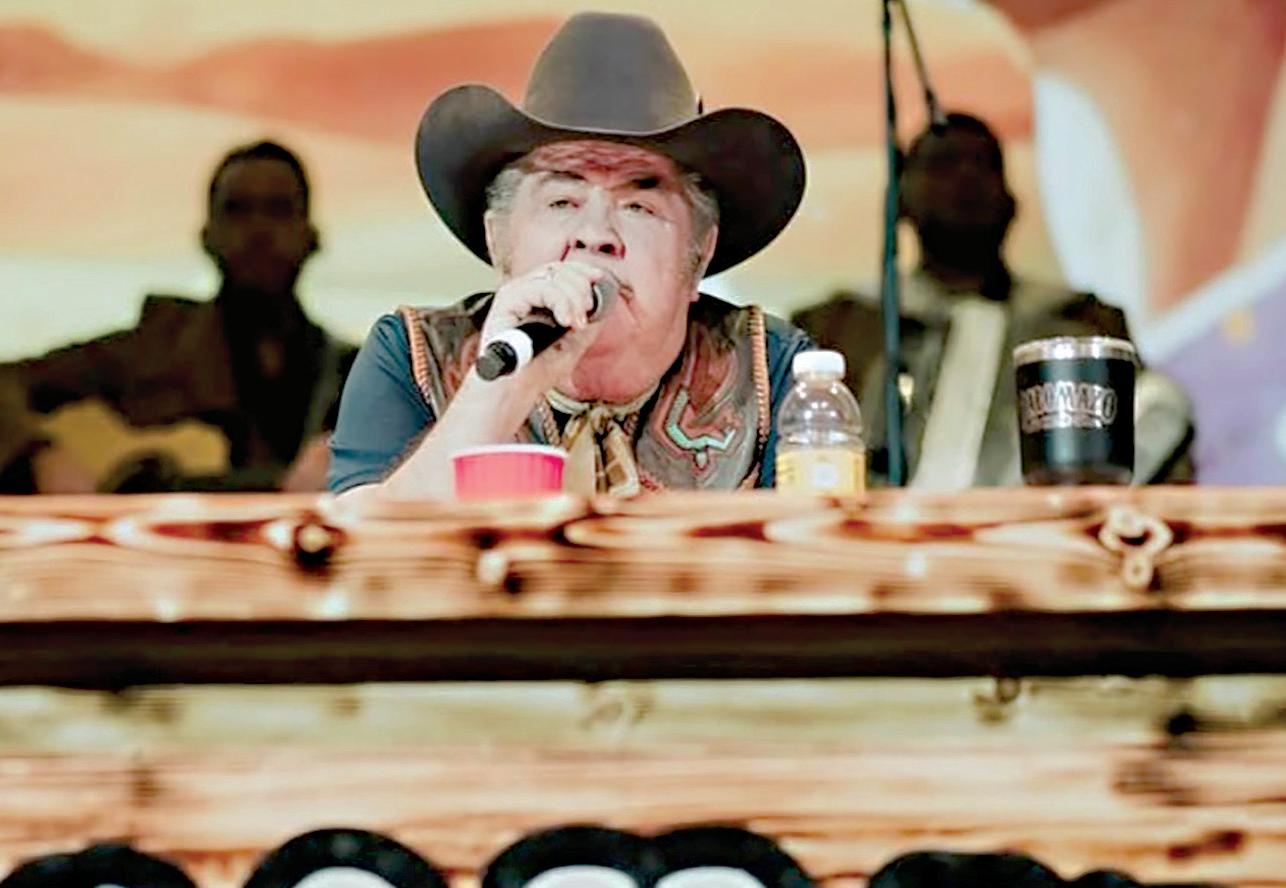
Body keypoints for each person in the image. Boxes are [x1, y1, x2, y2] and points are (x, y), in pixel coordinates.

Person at [329, 12, 813, 501]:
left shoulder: (775, 370)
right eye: (563, 202)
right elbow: (352, 541)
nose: (596, 236)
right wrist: (498, 392)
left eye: (639, 206)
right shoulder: (411, 354)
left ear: (699, 256)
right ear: (498, 240)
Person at [792, 112, 1194, 488]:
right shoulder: (837, 327)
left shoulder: (1083, 325)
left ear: (1012, 203)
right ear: (899, 202)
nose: (965, 177)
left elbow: (1157, 458)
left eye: (982, 163)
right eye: (943, 164)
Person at [0, 140, 356, 493]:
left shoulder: (353, 374)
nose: (258, 230)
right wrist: (40, 455)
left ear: (312, 237)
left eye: (278, 210)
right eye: (237, 210)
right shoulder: (152, 348)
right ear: (207, 236)